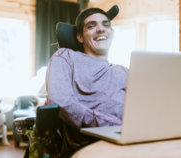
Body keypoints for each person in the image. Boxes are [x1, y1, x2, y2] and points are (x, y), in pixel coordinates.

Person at [45, 7, 128, 157]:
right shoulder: (66, 57)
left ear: (112, 33)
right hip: (87, 148)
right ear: (80, 37)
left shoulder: (123, 71)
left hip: (127, 143)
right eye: (91, 26)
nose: (100, 29)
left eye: (106, 25)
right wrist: (114, 125)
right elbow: (62, 102)